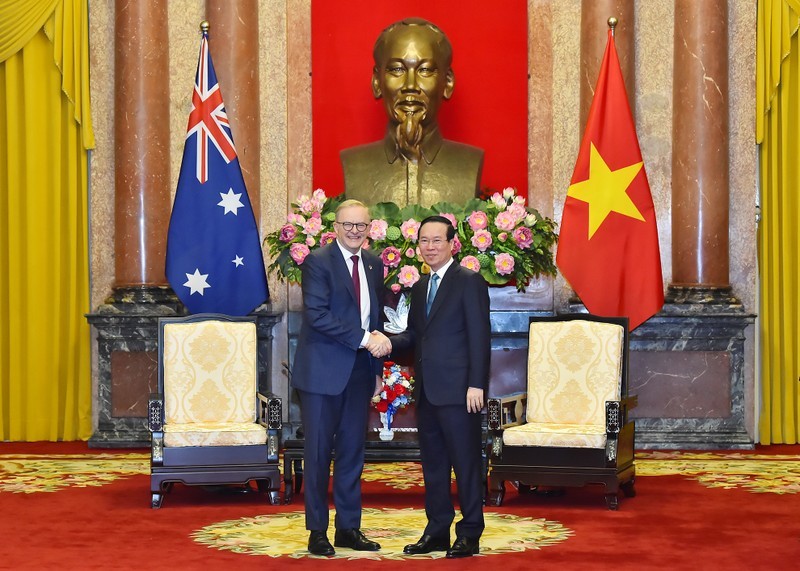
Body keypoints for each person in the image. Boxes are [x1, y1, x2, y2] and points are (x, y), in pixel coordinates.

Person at [291, 199, 392, 556]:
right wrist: (366, 340)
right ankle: (317, 530)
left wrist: (377, 370)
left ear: (369, 229)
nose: (354, 231)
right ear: (335, 227)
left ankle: (348, 528)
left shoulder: (375, 263)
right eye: (348, 225)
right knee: (318, 453)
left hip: (360, 373)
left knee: (352, 453)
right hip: (321, 374)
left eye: (361, 226)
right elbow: (317, 315)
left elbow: (375, 319)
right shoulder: (317, 262)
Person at [389, 215, 491, 558]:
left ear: (452, 244)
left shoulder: (469, 282)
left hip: (461, 391)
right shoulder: (420, 287)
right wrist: (385, 342)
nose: (430, 247)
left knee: (466, 465)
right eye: (424, 241)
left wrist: (477, 384)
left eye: (437, 240)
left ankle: (470, 532)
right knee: (433, 466)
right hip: (428, 391)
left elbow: (480, 337)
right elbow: (418, 336)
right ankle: (436, 531)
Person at [341, 17, 483, 207]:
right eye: (397, 69)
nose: (410, 85)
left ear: (447, 82)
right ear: (377, 81)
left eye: (425, 70)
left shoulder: (469, 163)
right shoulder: (355, 163)